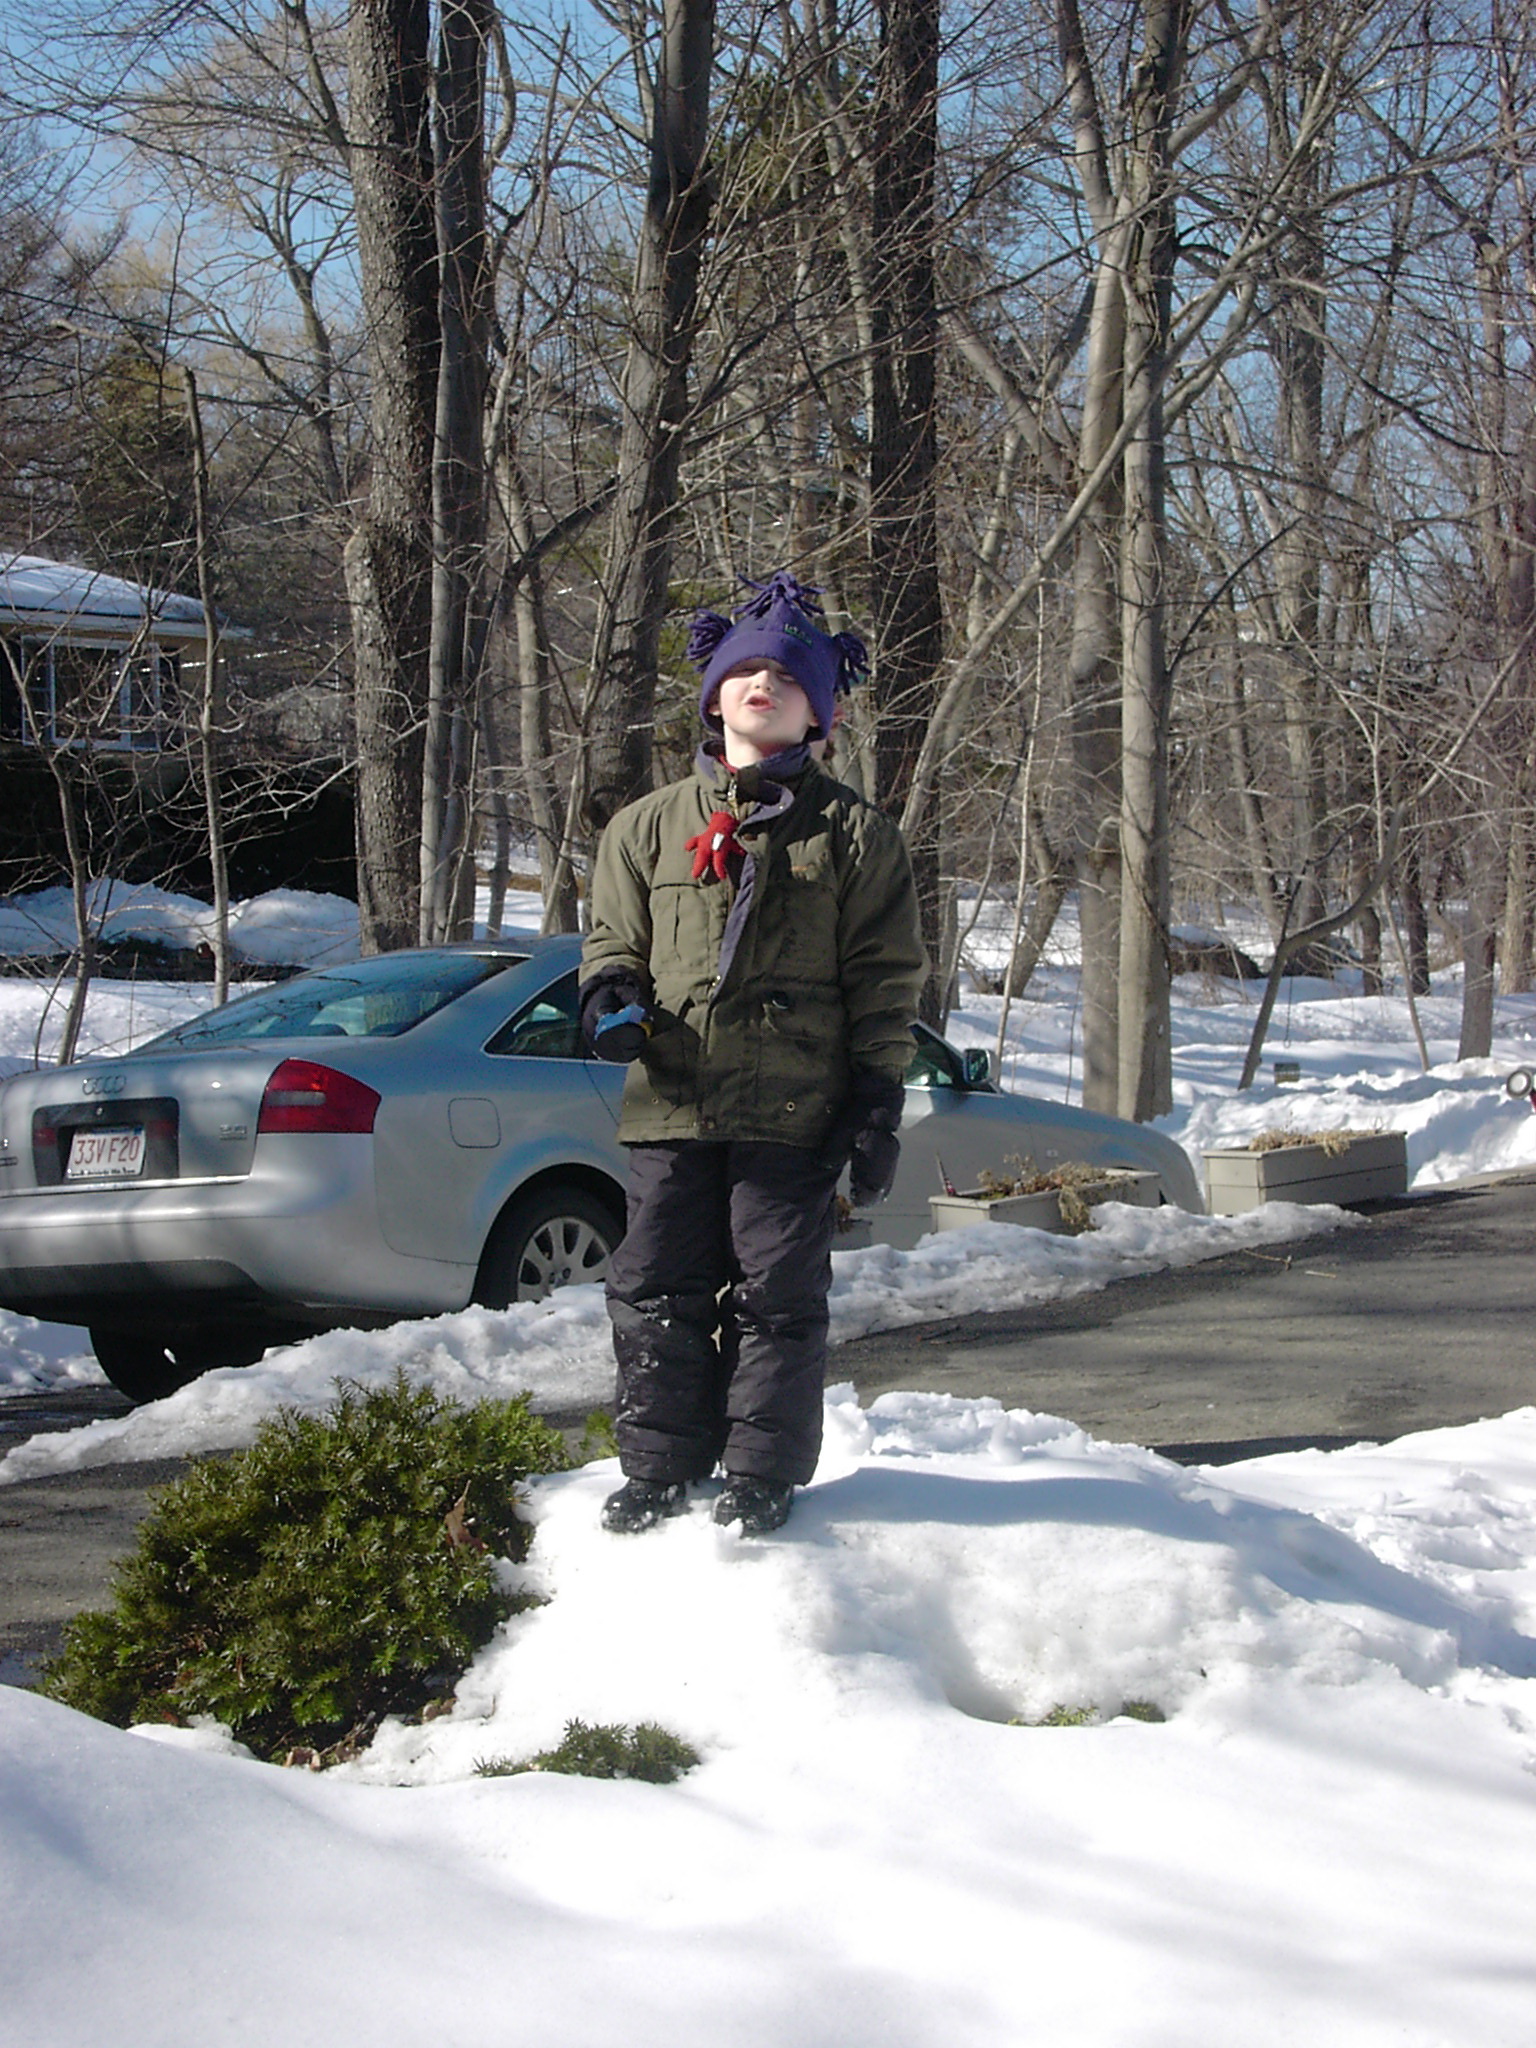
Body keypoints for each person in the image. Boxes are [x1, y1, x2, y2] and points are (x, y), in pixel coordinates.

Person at [579, 572, 927, 1536]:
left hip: (794, 1111)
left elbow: (886, 979)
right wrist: (608, 996)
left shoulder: (855, 835)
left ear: (822, 713)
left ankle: (759, 1472)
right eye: (745, 671)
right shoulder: (646, 827)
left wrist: (877, 1099)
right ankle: (658, 1467)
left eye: (788, 676)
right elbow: (612, 942)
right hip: (674, 1102)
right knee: (654, 1285)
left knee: (777, 1295)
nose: (763, 684)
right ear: (713, 696)